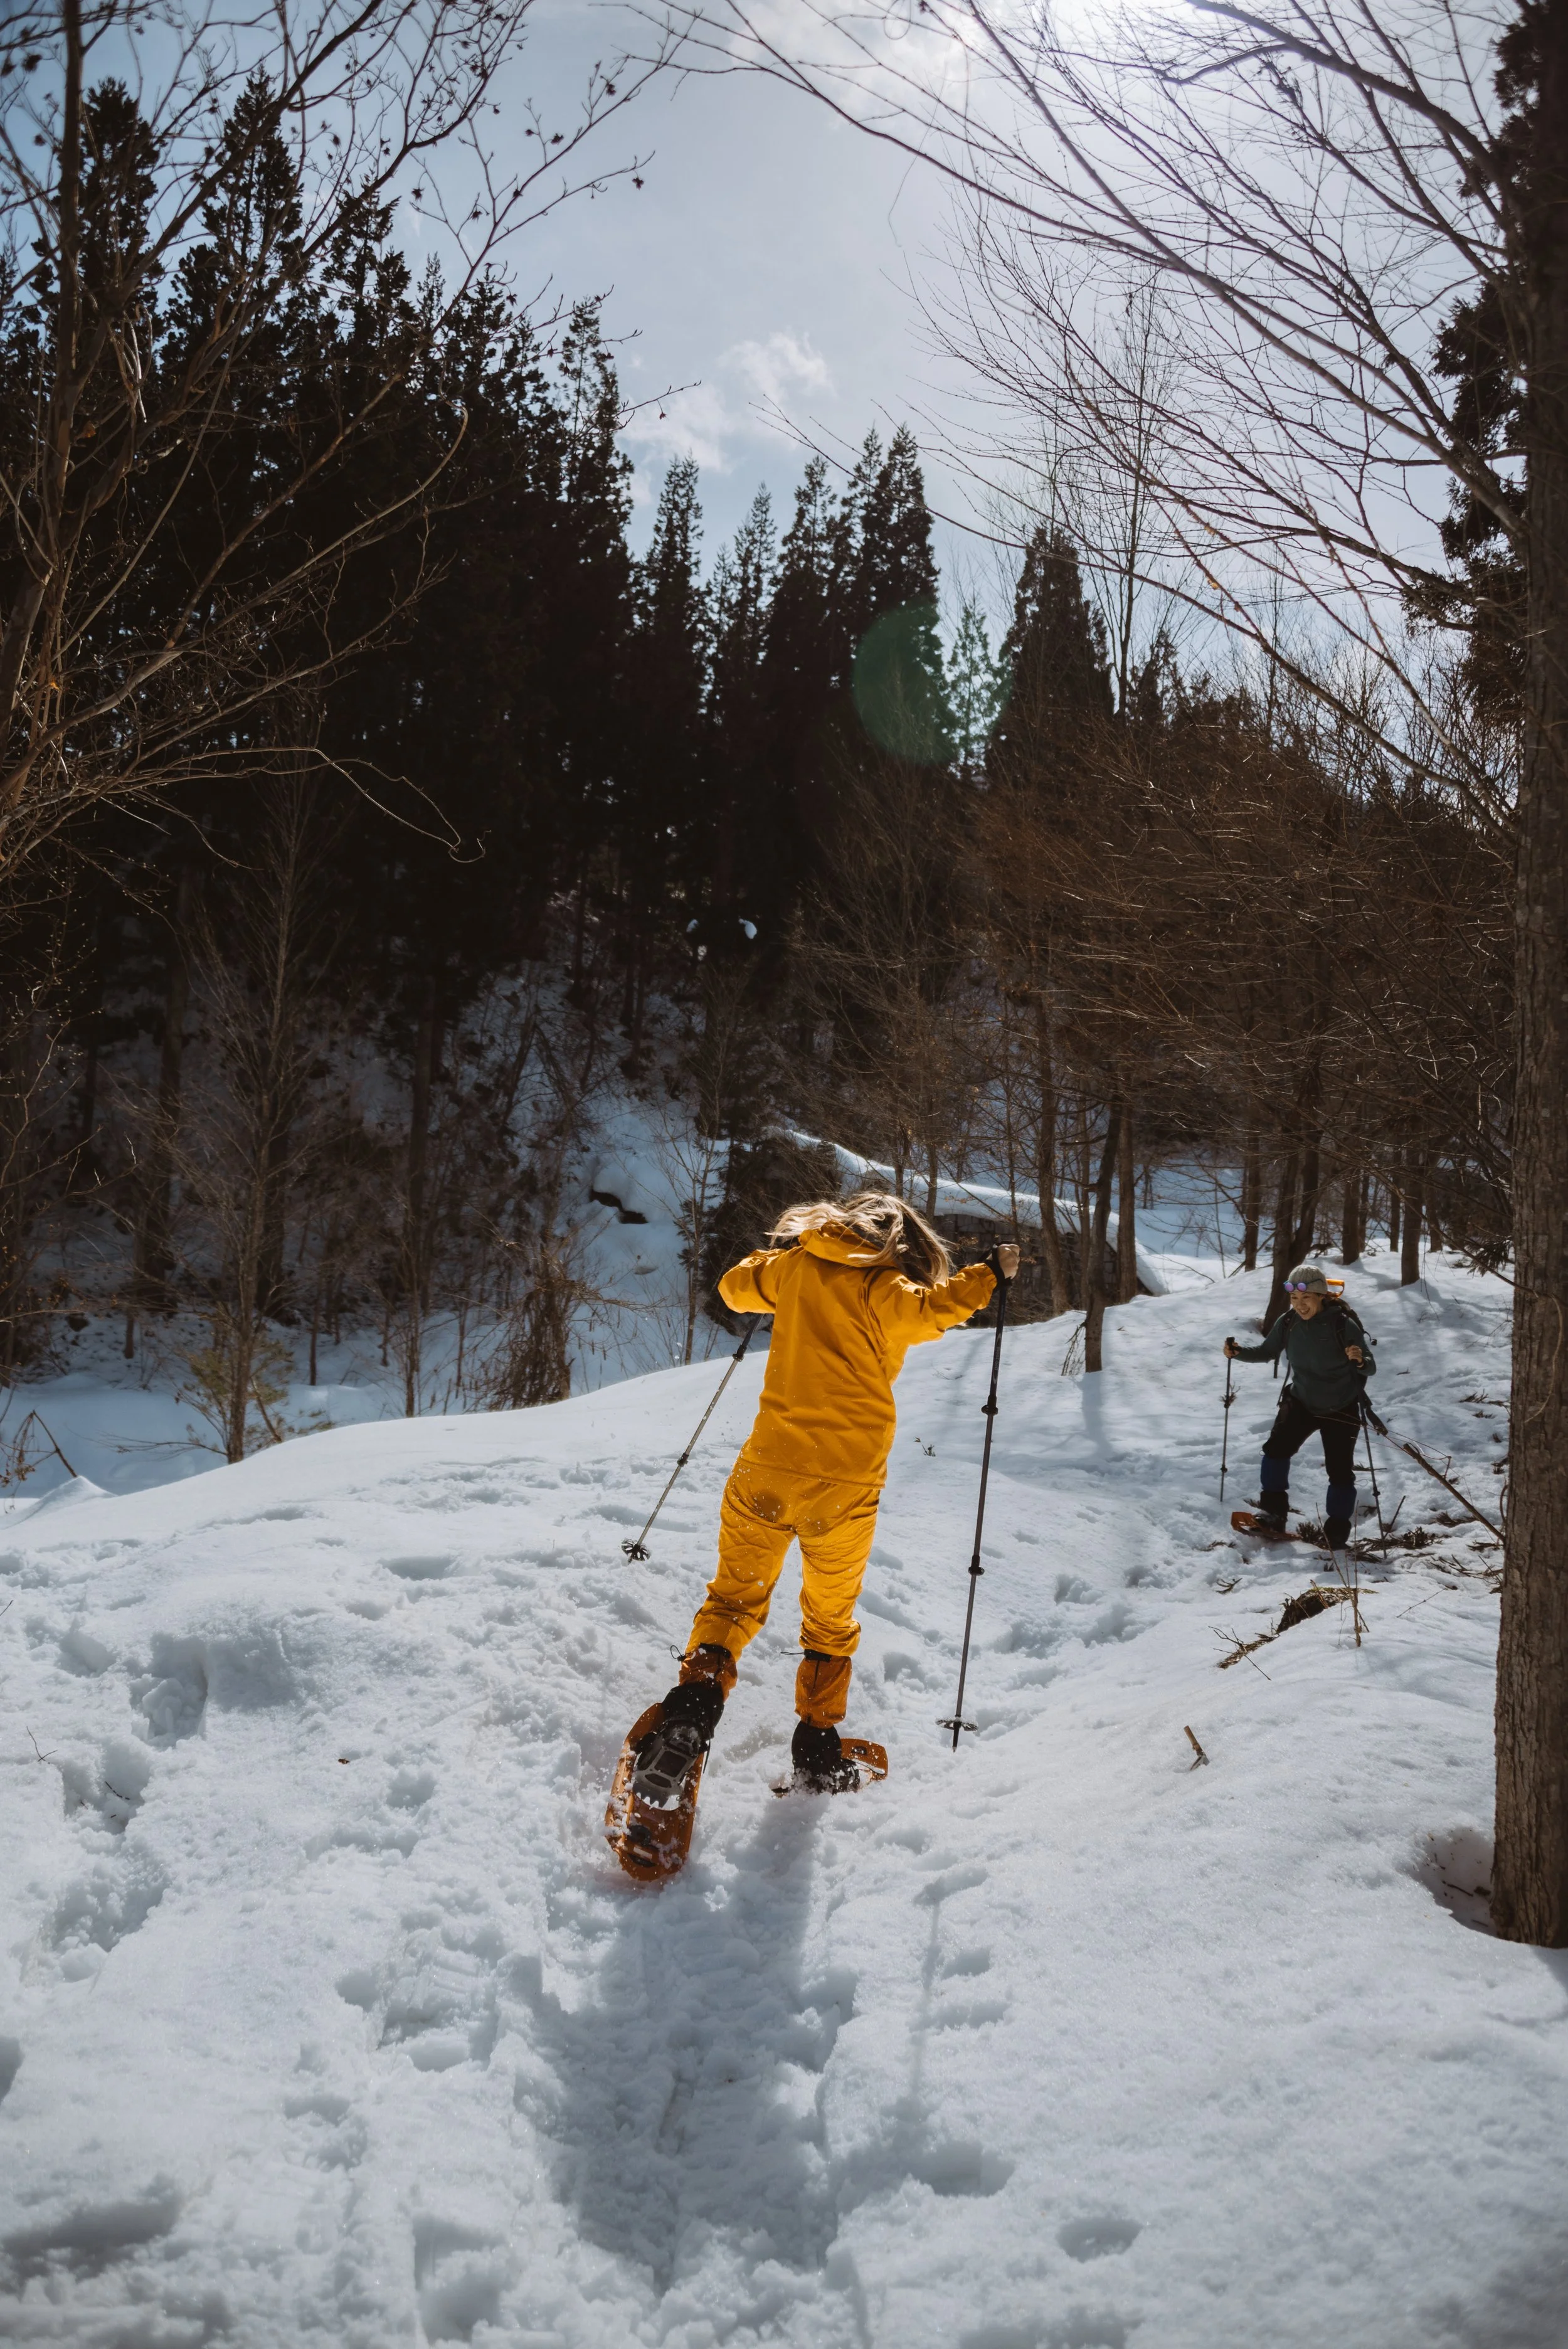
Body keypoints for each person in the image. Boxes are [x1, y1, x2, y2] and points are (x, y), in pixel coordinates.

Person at [628, 1191, 1017, 1796]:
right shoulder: (889, 1291)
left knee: (733, 1600)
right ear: (903, 1241)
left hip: (769, 1467)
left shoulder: (797, 1267)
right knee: (830, 1619)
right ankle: (816, 1744)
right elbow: (941, 1308)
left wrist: (783, 1255)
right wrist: (992, 1271)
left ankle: (690, 1713)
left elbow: (733, 1288)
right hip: (846, 1485)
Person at [1225, 1263, 1374, 1546]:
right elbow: (1267, 1352)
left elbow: (1370, 1367)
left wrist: (1359, 1360)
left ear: (1321, 1296)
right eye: (1294, 1299)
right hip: (1302, 1400)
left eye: (1306, 1298)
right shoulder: (1289, 1321)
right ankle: (1272, 1514)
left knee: (1340, 1471)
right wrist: (1238, 1353)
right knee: (1275, 1452)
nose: (1300, 1305)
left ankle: (1337, 1531)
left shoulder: (1343, 1324)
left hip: (1341, 1406)